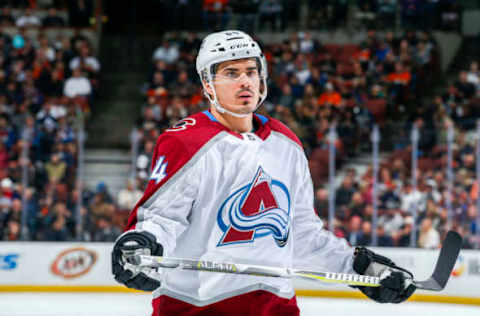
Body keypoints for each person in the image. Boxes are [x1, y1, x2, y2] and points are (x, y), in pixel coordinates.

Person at [112, 30, 416, 316]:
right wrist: (140, 244)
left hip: (274, 306)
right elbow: (161, 219)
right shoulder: (186, 141)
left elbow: (301, 235)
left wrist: (362, 269)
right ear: (207, 84)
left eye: (251, 71)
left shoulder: (286, 143)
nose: (245, 81)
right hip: (197, 307)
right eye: (231, 73)